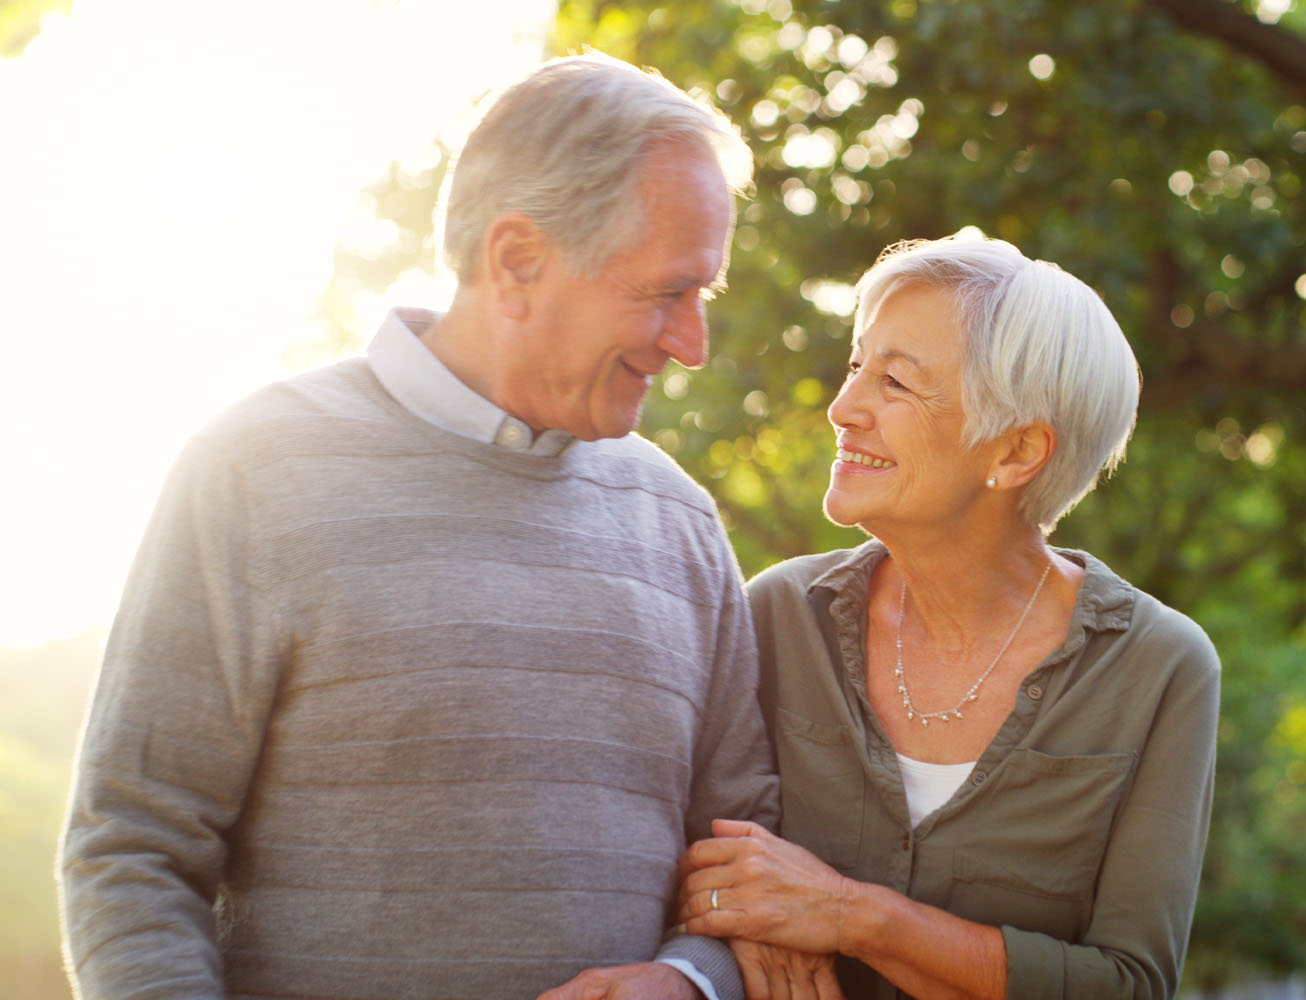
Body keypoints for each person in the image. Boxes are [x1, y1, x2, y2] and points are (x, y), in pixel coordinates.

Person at [58, 53, 778, 1000]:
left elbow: (747, 867)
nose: (691, 343)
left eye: (703, 296)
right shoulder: (254, 472)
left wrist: (691, 982)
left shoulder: (678, 521)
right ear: (518, 261)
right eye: (663, 293)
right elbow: (133, 848)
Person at [678, 234, 1220, 999]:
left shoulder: (1161, 666)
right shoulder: (778, 614)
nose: (843, 408)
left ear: (1017, 451)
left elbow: (1129, 986)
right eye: (856, 366)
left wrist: (851, 917)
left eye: (895, 383)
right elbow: (694, 863)